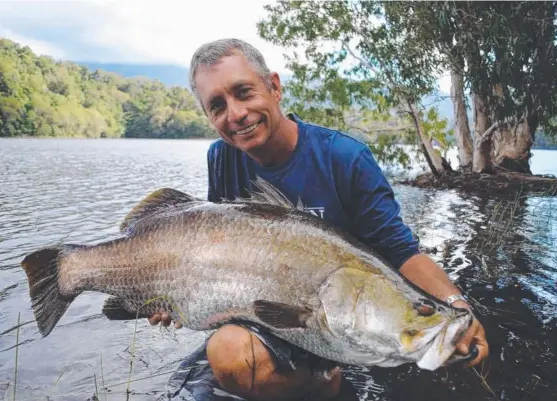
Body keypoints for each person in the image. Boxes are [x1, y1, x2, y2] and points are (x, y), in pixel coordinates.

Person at [151, 38, 489, 401]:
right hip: (272, 319)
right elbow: (223, 248)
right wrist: (176, 291)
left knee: (231, 357)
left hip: (337, 322)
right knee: (229, 354)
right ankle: (312, 383)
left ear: (275, 87)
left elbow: (400, 249)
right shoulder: (222, 157)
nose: (235, 114)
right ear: (208, 116)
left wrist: (455, 305)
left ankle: (326, 382)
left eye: (244, 92)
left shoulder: (345, 158)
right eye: (217, 106)